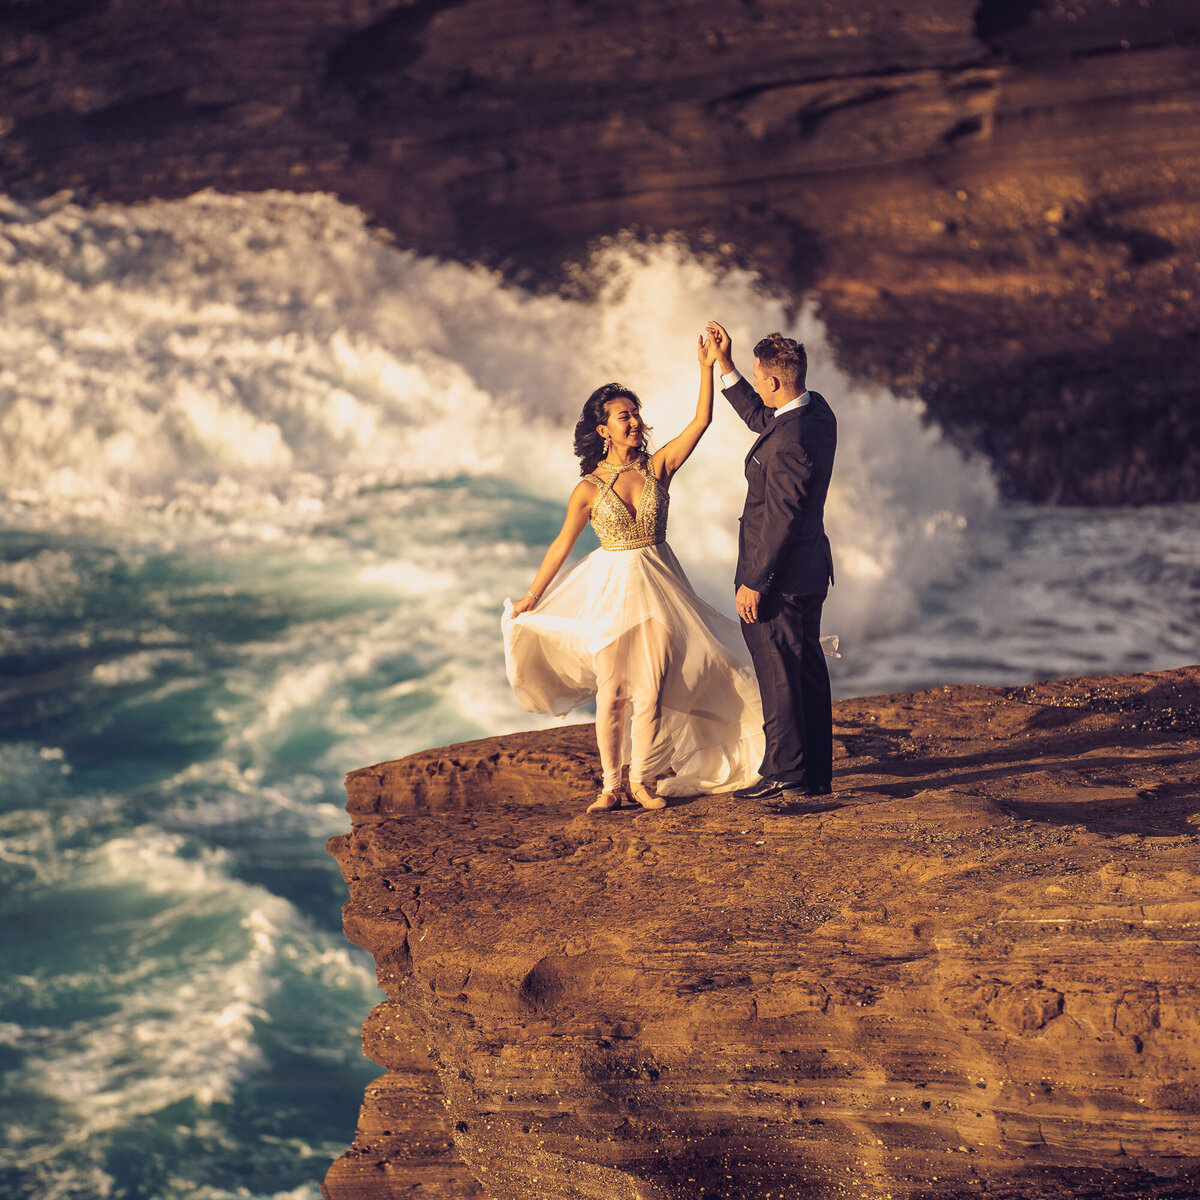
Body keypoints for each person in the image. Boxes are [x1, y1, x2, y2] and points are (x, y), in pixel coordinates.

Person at [502, 334, 764, 813]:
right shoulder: (586, 488)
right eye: (625, 416)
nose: (635, 422)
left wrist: (708, 366)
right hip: (612, 591)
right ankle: (610, 786)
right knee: (612, 692)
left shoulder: (658, 466)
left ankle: (640, 782)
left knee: (650, 691)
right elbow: (562, 544)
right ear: (604, 429)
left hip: (661, 589)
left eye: (635, 414)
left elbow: (701, 421)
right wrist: (531, 596)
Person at [705, 321, 837, 802]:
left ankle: (786, 772)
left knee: (779, 673)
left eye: (760, 380)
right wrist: (728, 366)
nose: (758, 388)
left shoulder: (788, 445)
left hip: (779, 578)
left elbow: (780, 520)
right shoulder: (816, 412)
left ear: (777, 382)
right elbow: (764, 418)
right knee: (805, 671)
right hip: (809, 571)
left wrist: (755, 582)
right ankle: (815, 775)